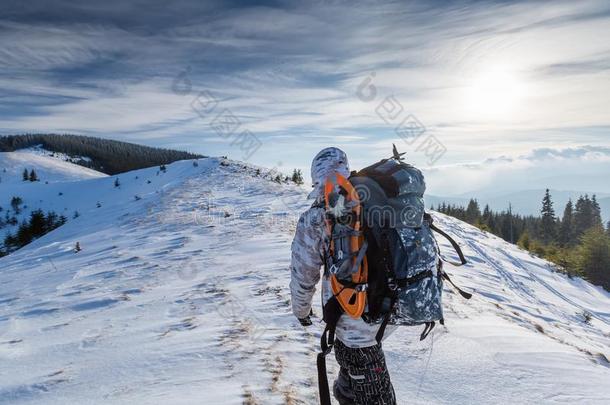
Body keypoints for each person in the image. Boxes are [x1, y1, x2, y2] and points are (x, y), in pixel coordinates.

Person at [290, 147, 397, 405]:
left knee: (371, 393)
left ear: (316, 177)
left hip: (352, 323)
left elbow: (304, 276)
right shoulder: (372, 201)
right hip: (386, 309)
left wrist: (302, 312)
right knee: (351, 385)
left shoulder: (314, 218)